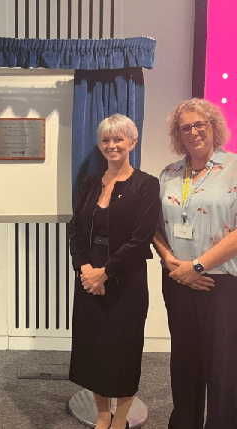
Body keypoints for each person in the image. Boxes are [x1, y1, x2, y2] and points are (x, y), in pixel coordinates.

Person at [68, 114, 161, 429]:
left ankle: (120, 418)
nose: (112, 145)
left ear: (132, 142)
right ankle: (102, 413)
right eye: (106, 140)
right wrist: (85, 268)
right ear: (99, 145)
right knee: (93, 345)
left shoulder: (146, 184)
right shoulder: (90, 182)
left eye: (119, 139)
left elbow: (140, 239)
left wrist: (104, 273)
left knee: (124, 348)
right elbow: (75, 229)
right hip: (88, 274)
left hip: (126, 277)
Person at [153, 98, 237, 429]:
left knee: (223, 366)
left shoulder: (233, 167)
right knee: (184, 363)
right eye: (185, 128)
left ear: (214, 127)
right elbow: (154, 227)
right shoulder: (169, 173)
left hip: (220, 282)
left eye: (200, 124)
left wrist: (197, 266)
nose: (193, 132)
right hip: (177, 280)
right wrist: (170, 261)